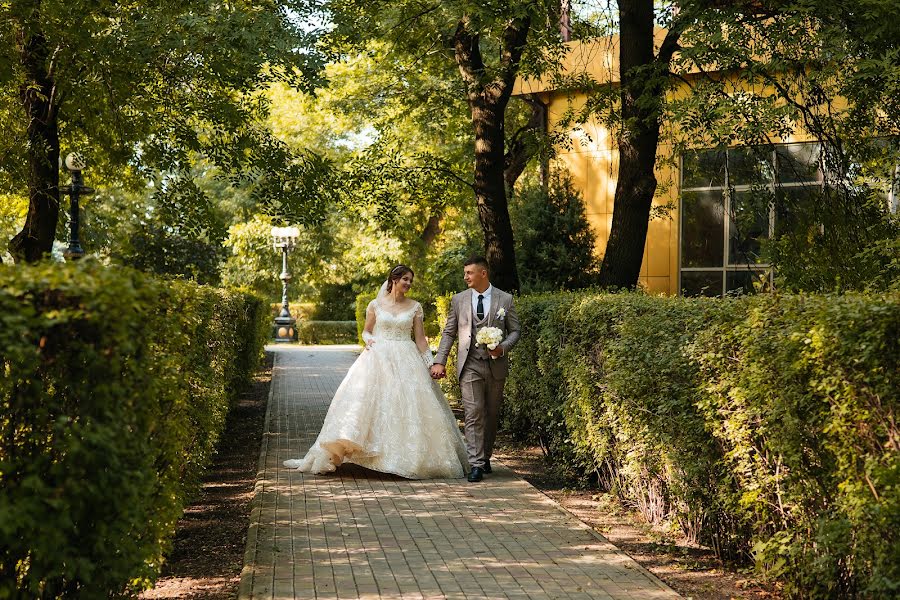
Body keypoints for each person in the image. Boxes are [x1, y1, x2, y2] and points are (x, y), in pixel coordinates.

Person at [283, 265, 468, 479]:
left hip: (406, 359)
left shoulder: (415, 307)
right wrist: (368, 339)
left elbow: (420, 340)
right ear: (394, 279)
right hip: (377, 358)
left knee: (404, 405)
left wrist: (431, 364)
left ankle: (403, 458)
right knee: (367, 403)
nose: (408, 284)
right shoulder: (375, 305)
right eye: (405, 279)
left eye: (410, 280)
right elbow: (366, 329)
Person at [430, 256, 521, 482]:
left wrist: (502, 348)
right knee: (473, 413)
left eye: (469, 273)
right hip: (469, 365)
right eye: (465, 273)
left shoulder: (505, 299)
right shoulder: (459, 300)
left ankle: (486, 455)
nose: (465, 277)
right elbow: (449, 332)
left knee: (491, 414)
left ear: (483, 273)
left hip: (495, 365)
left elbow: (515, 331)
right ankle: (476, 464)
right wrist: (439, 360)